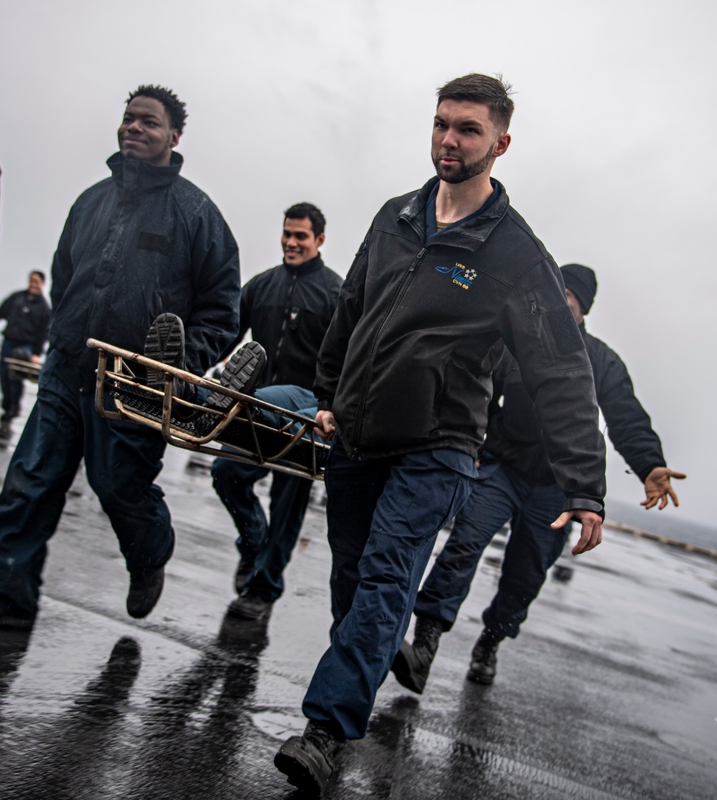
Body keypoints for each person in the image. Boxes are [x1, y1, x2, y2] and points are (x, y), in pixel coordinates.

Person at [273, 74, 607, 797]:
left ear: (501, 143)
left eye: (468, 130)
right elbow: (351, 305)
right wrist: (329, 394)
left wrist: (585, 485)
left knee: (389, 578)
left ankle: (326, 731)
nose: (449, 140)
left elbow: (560, 369)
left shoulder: (516, 253)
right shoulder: (397, 213)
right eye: (441, 124)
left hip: (441, 445)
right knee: (354, 580)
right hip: (359, 433)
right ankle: (374, 649)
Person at [0, 85, 241, 629]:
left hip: (136, 382)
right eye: (128, 119)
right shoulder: (90, 201)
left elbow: (223, 309)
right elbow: (66, 275)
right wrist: (62, 335)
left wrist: (177, 365)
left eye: (149, 122)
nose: (134, 128)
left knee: (118, 486)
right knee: (31, 479)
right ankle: (6, 598)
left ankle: (150, 550)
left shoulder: (197, 214)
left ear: (175, 136)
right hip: (67, 368)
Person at [392, 263, 686, 692]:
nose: (560, 304)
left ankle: (490, 642)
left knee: (525, 578)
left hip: (556, 488)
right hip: (502, 468)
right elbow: (478, 389)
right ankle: (425, 645)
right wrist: (471, 446)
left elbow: (625, 415)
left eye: (569, 298)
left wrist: (648, 463)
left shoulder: (599, 360)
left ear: (582, 308)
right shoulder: (516, 340)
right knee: (463, 545)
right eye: (555, 294)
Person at [210, 202, 342, 621]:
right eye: (287, 233)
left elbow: (345, 358)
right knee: (225, 473)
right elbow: (227, 337)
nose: (291, 242)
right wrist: (194, 370)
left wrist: (334, 408)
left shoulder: (335, 294)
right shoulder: (261, 286)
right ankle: (253, 541)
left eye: (301, 236)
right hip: (256, 407)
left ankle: (264, 589)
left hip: (306, 415)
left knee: (288, 505)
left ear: (319, 240)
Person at [0, 270, 51, 438]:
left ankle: (13, 408)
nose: (33, 284)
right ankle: (7, 406)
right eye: (32, 281)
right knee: (3, 376)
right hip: (8, 342)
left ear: (42, 284)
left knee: (15, 378)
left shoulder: (44, 307)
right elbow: (0, 311)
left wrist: (36, 353)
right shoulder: (16, 298)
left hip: (25, 347)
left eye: (37, 282)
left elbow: (44, 333)